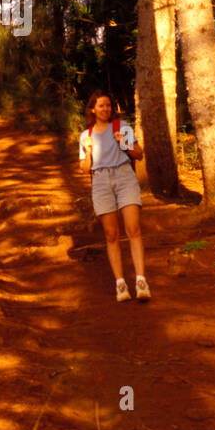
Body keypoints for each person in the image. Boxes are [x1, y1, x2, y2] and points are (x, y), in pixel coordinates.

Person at [79, 91, 151, 303]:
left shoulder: (123, 127)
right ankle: (120, 283)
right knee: (111, 234)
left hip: (124, 176)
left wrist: (125, 144)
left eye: (108, 105)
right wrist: (88, 151)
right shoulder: (86, 136)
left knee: (133, 229)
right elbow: (84, 168)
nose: (105, 109)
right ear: (93, 109)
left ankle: (140, 280)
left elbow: (139, 154)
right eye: (101, 106)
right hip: (100, 180)